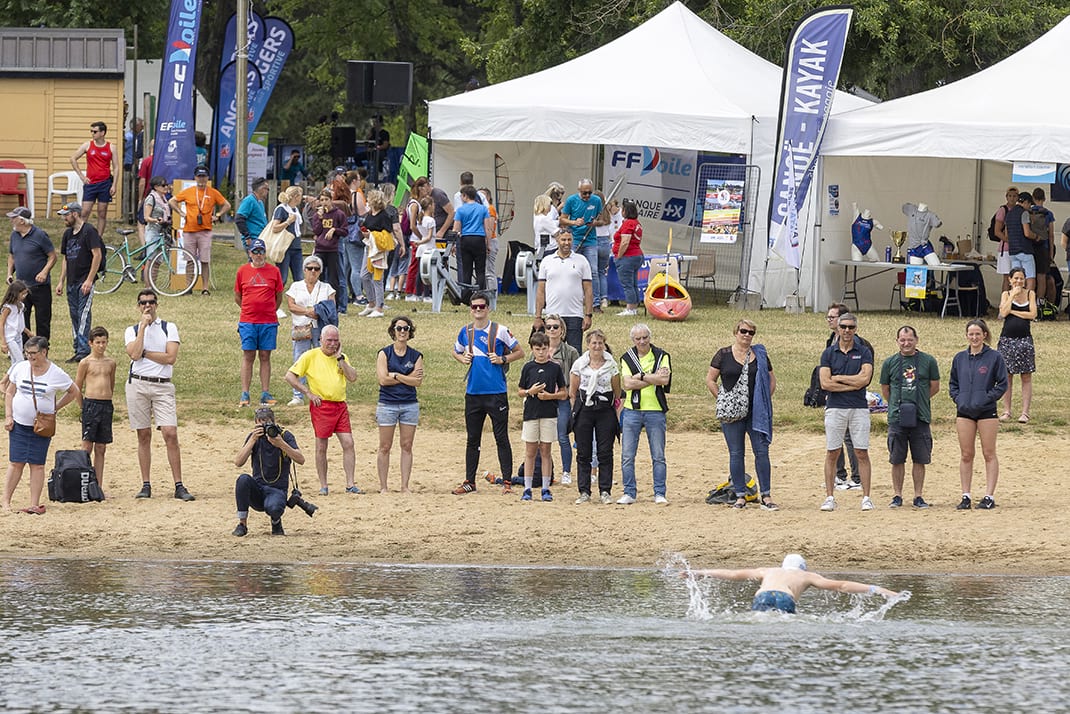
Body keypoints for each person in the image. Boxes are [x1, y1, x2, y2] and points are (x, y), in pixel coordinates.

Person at [451, 291, 524, 495]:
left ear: (488, 308)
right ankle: (469, 481)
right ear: (470, 309)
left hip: (496, 392)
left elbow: (520, 351)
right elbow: (455, 351)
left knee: (501, 437)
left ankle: (507, 482)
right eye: (474, 307)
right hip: (473, 393)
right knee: (472, 439)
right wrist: (462, 358)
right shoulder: (465, 331)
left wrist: (502, 360)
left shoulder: (500, 330)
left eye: (481, 307)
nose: (478, 310)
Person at [125, 288, 194, 501]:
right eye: (144, 302)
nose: (148, 306)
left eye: (151, 302)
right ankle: (146, 484)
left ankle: (179, 484)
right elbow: (134, 354)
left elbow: (170, 357)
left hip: (162, 385)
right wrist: (143, 329)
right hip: (138, 384)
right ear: (138, 306)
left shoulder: (169, 327)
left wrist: (146, 353)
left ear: (157, 304)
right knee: (143, 434)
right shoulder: (132, 330)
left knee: (170, 433)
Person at [1, 336, 80, 514]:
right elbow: (10, 392)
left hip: (42, 426)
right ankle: (5, 501)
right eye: (27, 353)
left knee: (37, 464)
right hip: (19, 423)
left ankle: (34, 503)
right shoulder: (20, 368)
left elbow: (73, 391)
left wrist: (54, 408)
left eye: (33, 353)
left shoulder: (56, 373)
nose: (30, 357)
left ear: (44, 352)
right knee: (16, 462)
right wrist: (9, 416)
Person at [706, 319, 778, 510]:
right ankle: (740, 495)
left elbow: (771, 380)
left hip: (757, 412)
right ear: (735, 332)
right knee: (736, 453)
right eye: (743, 331)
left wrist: (764, 399)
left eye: (751, 333)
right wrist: (722, 399)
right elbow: (711, 379)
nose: (747, 335)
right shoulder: (723, 354)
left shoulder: (760, 355)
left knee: (761, 452)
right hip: (732, 413)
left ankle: (766, 495)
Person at [284, 325, 362, 496]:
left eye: (335, 340)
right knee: (321, 446)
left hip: (340, 405)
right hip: (322, 405)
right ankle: (324, 485)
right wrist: (307, 393)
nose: (332, 344)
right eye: (329, 340)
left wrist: (340, 358)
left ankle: (350, 484)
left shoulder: (342, 357)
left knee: (348, 443)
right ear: (321, 340)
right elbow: (290, 376)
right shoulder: (310, 356)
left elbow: (353, 377)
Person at [689, 554, 899, 614]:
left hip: (762, 595)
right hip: (785, 598)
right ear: (802, 568)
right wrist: (876, 589)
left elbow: (733, 574)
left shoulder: (768, 571)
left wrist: (700, 572)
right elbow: (842, 585)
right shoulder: (806, 576)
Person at [949, 318, 1008, 510]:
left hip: (986, 412)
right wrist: (959, 399)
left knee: (989, 453)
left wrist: (986, 399)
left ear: (984, 335)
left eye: (977, 334)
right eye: (971, 334)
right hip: (964, 411)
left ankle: (989, 495)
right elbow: (953, 384)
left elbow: (1002, 384)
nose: (974, 337)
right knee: (966, 454)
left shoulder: (994, 357)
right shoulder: (959, 358)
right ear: (966, 336)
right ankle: (966, 495)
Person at [879, 325, 940, 509]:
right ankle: (897, 495)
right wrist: (898, 404)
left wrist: (919, 400)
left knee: (920, 458)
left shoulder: (928, 361)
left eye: (910, 339)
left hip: (920, 416)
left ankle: (918, 495)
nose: (906, 343)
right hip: (897, 417)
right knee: (897, 458)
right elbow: (885, 390)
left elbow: (934, 386)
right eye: (903, 340)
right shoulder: (889, 363)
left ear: (916, 340)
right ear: (897, 341)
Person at [819, 312, 874, 512]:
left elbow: (864, 380)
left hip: (858, 407)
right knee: (833, 451)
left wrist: (839, 378)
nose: (847, 331)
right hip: (835, 408)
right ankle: (829, 497)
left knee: (861, 451)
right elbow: (825, 382)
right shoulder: (828, 353)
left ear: (855, 329)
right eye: (844, 327)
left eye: (851, 327)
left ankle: (866, 497)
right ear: (838, 328)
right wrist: (852, 382)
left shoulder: (864, 351)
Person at [232, 406, 306, 537]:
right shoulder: (254, 437)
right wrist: (253, 440)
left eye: (266, 421)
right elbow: (238, 462)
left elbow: (300, 459)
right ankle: (242, 524)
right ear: (256, 423)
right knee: (242, 479)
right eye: (260, 421)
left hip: (277, 489)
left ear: (273, 421)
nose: (264, 425)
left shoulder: (284, 435)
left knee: (274, 508)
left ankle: (276, 521)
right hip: (258, 488)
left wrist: (280, 444)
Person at [618, 322, 671, 505]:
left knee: (658, 455)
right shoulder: (627, 357)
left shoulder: (662, 355)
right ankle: (629, 492)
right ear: (633, 340)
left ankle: (659, 492)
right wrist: (651, 377)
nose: (642, 341)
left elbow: (664, 379)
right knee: (627, 455)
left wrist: (640, 376)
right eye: (638, 339)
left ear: (650, 338)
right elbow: (627, 385)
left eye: (645, 338)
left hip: (655, 410)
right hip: (632, 411)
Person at [569, 328, 620, 504]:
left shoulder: (611, 365)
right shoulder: (579, 364)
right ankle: (584, 491)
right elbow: (573, 391)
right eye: (594, 343)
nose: (597, 346)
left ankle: (605, 490)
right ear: (588, 344)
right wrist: (574, 411)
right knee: (583, 452)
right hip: (585, 409)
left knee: (605, 451)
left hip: (605, 410)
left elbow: (617, 391)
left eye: (600, 343)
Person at [517, 331, 567, 502]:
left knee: (546, 451)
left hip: (549, 414)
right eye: (538, 349)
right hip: (531, 413)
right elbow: (520, 391)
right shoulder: (528, 367)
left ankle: (545, 487)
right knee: (530, 451)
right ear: (532, 349)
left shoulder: (555, 368)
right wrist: (530, 392)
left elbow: (563, 392)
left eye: (544, 348)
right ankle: (528, 487)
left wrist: (549, 396)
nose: (541, 352)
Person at [375, 316, 424, 494]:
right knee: (385, 446)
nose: (402, 331)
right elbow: (382, 379)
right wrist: (406, 377)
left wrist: (396, 375)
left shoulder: (416, 355)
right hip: (387, 404)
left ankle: (404, 486)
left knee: (407, 445)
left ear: (410, 331)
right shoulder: (384, 353)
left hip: (409, 405)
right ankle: (383, 486)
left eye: (406, 328)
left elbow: (417, 382)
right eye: (399, 328)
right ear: (393, 331)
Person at [234, 238, 285, 407]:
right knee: (248, 355)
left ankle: (265, 392)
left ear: (265, 253)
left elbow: (278, 296)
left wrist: (270, 309)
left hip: (268, 321)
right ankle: (244, 393)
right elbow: (237, 296)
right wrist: (249, 309)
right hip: (248, 320)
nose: (258, 255)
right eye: (255, 252)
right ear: (250, 253)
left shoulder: (274, 271)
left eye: (261, 251)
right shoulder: (242, 271)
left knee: (265, 356)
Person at [169, 166, 231, 295]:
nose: (201, 179)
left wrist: (218, 215)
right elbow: (172, 201)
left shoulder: (213, 192)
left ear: (207, 178)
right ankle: (188, 287)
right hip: (189, 230)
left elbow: (227, 205)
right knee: (189, 259)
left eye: (204, 177)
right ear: (195, 177)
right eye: (199, 176)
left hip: (205, 231)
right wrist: (180, 212)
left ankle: (205, 288)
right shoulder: (189, 191)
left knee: (204, 260)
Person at [54, 202, 103, 363]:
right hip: (71, 281)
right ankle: (77, 348)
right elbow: (66, 259)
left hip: (84, 281)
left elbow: (97, 255)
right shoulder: (68, 234)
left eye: (66, 215)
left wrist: (89, 280)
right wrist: (61, 281)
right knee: (74, 315)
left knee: (83, 315)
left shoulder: (89, 231)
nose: (64, 219)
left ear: (75, 214)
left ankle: (83, 350)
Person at [285, 254, 335, 407]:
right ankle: (297, 395)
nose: (313, 271)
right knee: (299, 359)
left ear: (320, 271)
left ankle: (323, 392)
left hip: (320, 329)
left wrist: (316, 312)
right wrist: (309, 311)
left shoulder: (326, 287)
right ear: (304, 270)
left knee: (324, 359)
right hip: (301, 327)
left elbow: (331, 306)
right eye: (309, 268)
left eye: (316, 269)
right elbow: (291, 306)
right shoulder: (296, 286)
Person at [534, 231, 593, 354]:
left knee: (575, 352)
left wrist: (588, 314)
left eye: (569, 240)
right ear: (557, 241)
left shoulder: (582, 261)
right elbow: (540, 291)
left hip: (575, 315)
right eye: (563, 240)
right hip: (552, 315)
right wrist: (538, 316)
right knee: (550, 351)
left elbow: (588, 290)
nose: (567, 243)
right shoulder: (547, 261)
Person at [540, 314, 580, 485]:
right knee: (541, 439)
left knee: (563, 436)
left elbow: (576, 375)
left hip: (562, 399)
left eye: (555, 327)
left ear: (562, 330)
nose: (552, 330)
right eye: (548, 327)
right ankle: (543, 471)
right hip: (542, 399)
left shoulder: (570, 352)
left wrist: (573, 398)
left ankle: (566, 471)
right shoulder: (539, 349)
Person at [75, 326, 116, 493]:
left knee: (101, 447)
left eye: (104, 342)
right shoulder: (85, 362)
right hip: (90, 404)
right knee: (87, 446)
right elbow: (77, 386)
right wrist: (83, 407)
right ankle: (84, 483)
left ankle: (98, 485)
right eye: (98, 342)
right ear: (91, 343)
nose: (101, 346)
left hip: (106, 405)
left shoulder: (111, 363)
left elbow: (111, 383)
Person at [6, 206, 56, 339]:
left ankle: (42, 348)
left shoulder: (39, 235)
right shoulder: (14, 236)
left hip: (40, 286)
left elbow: (52, 256)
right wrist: (9, 273)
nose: (11, 220)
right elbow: (12, 256)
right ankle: (25, 348)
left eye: (13, 218)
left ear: (22, 221)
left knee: (43, 320)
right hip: (21, 287)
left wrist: (44, 272)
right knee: (22, 319)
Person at [997, 267, 1036, 423]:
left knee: (1026, 376)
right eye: (1016, 278)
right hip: (1007, 339)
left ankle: (1025, 412)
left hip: (1025, 339)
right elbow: (1003, 313)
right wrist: (1012, 296)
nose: (1019, 281)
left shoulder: (1030, 294)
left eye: (1021, 278)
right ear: (1010, 280)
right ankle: (1007, 411)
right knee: (1007, 376)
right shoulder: (1006, 294)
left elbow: (1032, 314)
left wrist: (1014, 311)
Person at [69, 121, 119, 234]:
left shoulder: (111, 147)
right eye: (91, 131)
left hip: (105, 183)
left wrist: (114, 184)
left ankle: (98, 237)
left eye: (95, 131)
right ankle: (79, 235)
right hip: (90, 183)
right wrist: (82, 176)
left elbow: (116, 167)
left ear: (102, 133)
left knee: (102, 212)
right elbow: (73, 159)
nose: (92, 134)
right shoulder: (88, 145)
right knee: (85, 211)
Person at [559, 179, 604, 305]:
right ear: (579, 190)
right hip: (574, 239)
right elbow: (562, 219)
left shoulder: (596, 201)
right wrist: (574, 222)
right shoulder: (571, 200)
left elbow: (602, 220)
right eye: (584, 193)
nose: (587, 196)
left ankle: (596, 303)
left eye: (589, 193)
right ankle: (569, 299)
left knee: (593, 271)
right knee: (570, 269)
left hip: (590, 240)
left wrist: (595, 223)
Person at [358, 189, 394, 318]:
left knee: (377, 279)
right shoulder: (370, 214)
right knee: (364, 275)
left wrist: (372, 235)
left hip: (379, 250)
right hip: (368, 247)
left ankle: (379, 307)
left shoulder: (384, 215)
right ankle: (371, 302)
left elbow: (387, 234)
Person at [452, 185, 493, 298]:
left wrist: (454, 244)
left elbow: (456, 229)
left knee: (466, 270)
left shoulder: (460, 210)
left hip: (466, 239)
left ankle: (466, 296)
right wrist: (488, 243)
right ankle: (480, 295)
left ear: (465, 196)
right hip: (479, 239)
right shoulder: (483, 209)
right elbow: (488, 228)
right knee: (480, 270)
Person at [310, 190, 347, 306]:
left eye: (326, 199)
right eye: (322, 200)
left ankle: (336, 304)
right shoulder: (317, 215)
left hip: (333, 249)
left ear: (331, 200)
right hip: (320, 249)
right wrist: (320, 219)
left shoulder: (339, 214)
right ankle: (319, 302)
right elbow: (316, 231)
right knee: (318, 276)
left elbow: (345, 231)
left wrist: (334, 230)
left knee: (333, 278)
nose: (324, 202)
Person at [268, 185, 305, 285]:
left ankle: (299, 299)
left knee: (300, 278)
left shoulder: (295, 210)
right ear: (296, 197)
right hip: (284, 247)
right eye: (300, 195)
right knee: (282, 278)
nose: (301, 198)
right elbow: (275, 228)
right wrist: (288, 222)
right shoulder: (282, 209)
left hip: (296, 247)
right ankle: (275, 298)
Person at [613, 199, 644, 316]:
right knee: (634, 283)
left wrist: (619, 256)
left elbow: (625, 242)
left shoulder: (628, 224)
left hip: (628, 257)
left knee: (627, 284)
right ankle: (634, 307)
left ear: (625, 211)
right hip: (636, 255)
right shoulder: (637, 223)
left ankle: (630, 308)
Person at [1004, 192, 1036, 292]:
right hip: (1024, 250)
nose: (1030, 207)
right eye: (1030, 204)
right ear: (1026, 202)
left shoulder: (1009, 213)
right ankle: (1027, 302)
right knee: (1030, 277)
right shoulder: (1024, 213)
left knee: (1016, 279)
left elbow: (1006, 235)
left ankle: (1016, 302)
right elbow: (1027, 233)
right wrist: (1036, 236)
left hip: (1013, 251)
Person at [1029, 188, 1055, 306]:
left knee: (1030, 276)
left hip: (1029, 247)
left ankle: (1028, 302)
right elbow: (1051, 235)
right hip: (1043, 248)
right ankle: (1039, 303)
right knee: (1042, 276)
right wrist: (1050, 253)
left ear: (1033, 198)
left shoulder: (1028, 212)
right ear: (1044, 199)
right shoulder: (1048, 214)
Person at [235, 177, 271, 252]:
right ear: (261, 189)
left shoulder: (260, 202)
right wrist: (247, 237)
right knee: (255, 262)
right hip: (253, 240)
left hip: (261, 238)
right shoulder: (249, 200)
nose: (268, 191)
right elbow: (239, 219)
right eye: (267, 189)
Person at [1, 279, 31, 363]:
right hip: (10, 338)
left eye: (26, 293)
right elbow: (1, 324)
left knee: (15, 362)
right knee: (20, 360)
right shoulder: (7, 308)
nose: (25, 296)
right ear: (15, 293)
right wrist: (3, 342)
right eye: (23, 294)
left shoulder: (21, 306)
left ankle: (12, 376)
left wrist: (27, 332)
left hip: (18, 337)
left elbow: (19, 323)